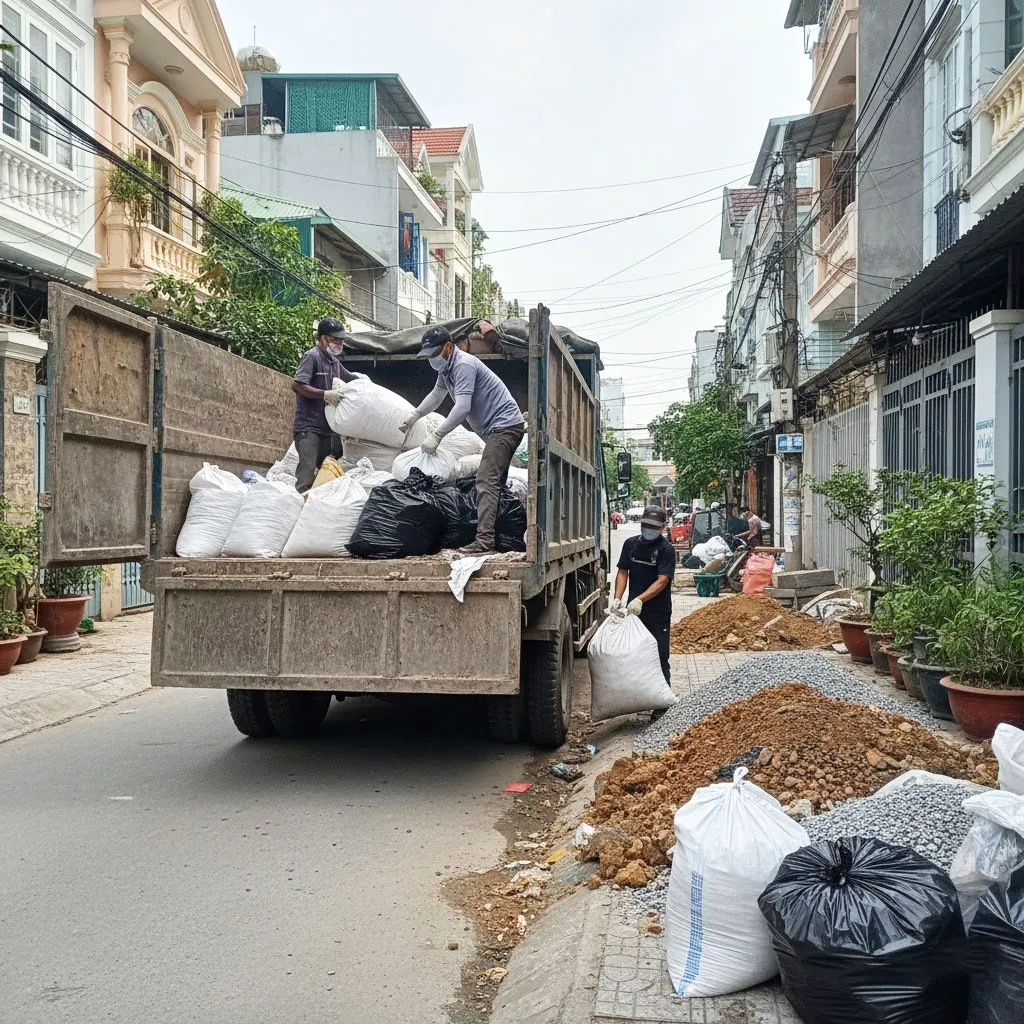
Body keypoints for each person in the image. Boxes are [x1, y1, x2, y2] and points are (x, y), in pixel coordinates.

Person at [399, 325, 526, 555]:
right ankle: (503, 536)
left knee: (485, 481)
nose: (431, 360)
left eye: (433, 355)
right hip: (496, 430)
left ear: (448, 347)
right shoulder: (446, 369)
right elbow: (437, 395)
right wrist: (416, 414)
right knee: (495, 485)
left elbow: (462, 407)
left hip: (505, 427)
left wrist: (437, 435)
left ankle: (485, 542)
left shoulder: (463, 365)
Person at [291, 317, 361, 493]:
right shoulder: (311, 357)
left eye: (341, 340)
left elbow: (350, 378)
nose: (339, 343)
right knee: (307, 473)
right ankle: (299, 505)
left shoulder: (334, 362)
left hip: (326, 429)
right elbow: (297, 385)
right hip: (308, 427)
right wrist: (324, 394)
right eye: (335, 339)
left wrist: (365, 383)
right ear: (323, 338)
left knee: (326, 473)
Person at [612, 505, 675, 683]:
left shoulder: (666, 550)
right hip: (634, 613)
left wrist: (640, 599)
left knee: (659, 655)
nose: (650, 530)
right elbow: (623, 572)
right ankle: (640, 696)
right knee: (636, 654)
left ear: (663, 527)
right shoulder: (630, 544)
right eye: (647, 525)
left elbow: (663, 580)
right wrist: (617, 598)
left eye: (655, 527)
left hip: (658, 613)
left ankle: (662, 703)